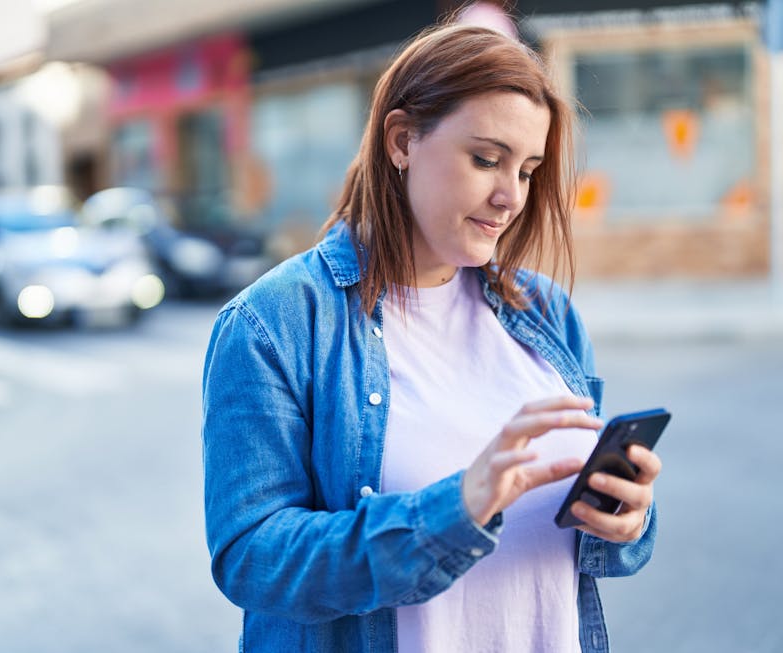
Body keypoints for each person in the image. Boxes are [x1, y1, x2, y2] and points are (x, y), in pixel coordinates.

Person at [202, 21, 662, 653]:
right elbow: (251, 558)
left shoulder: (547, 312)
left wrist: (625, 518)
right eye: (486, 159)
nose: (510, 197)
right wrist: (453, 510)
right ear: (402, 141)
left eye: (527, 170)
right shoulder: (274, 323)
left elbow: (584, 547)